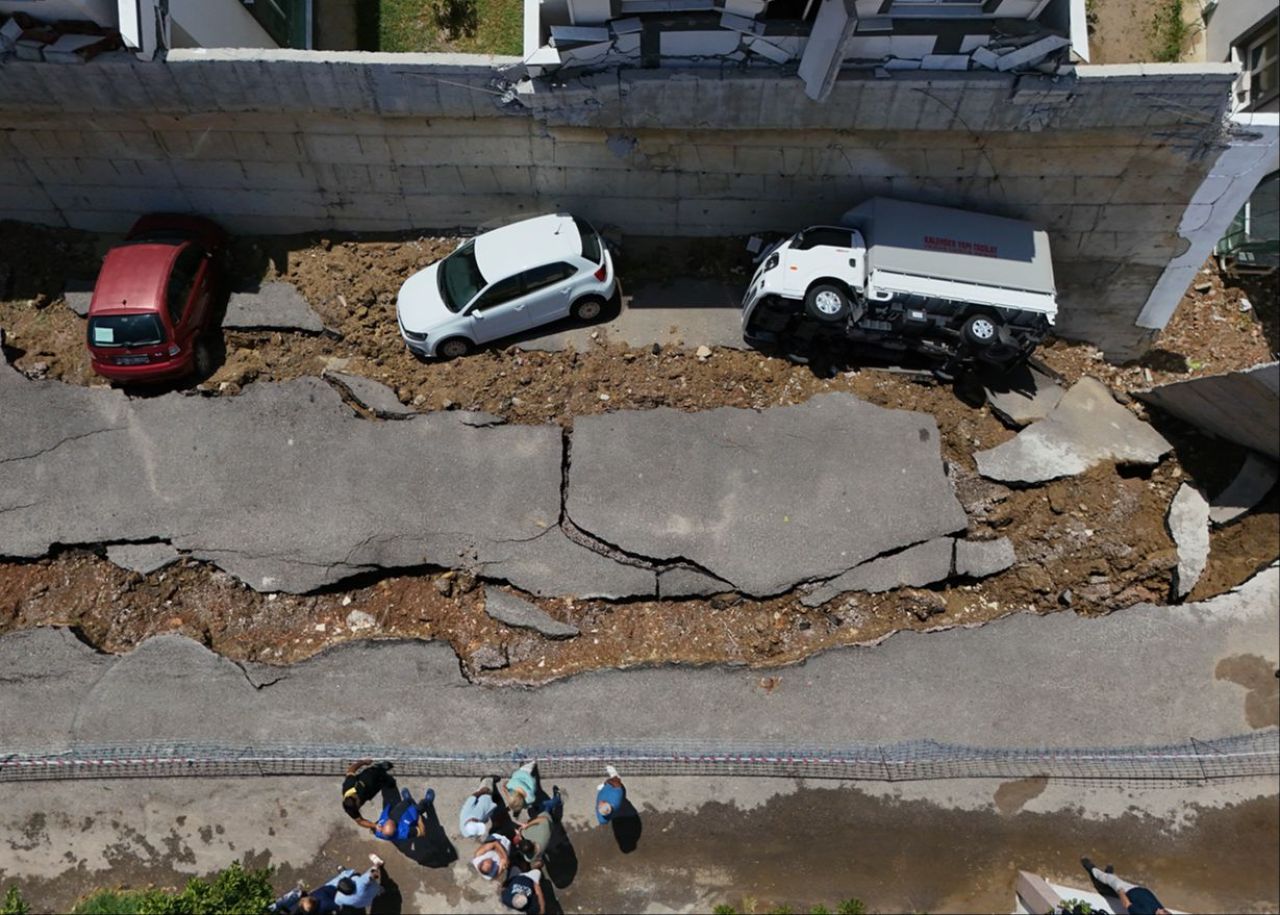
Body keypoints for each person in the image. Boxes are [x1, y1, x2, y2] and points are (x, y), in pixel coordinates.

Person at [1081, 858, 1172, 915]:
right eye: (1166, 911)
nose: (1162, 910)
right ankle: (1109, 876)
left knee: (1110, 879)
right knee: (1111, 881)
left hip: (1126, 891)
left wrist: (1120, 891)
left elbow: (1127, 904)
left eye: (1163, 912)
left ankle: (1092, 869)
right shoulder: (1160, 909)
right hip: (1137, 889)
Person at [341, 759, 395, 829]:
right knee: (390, 784)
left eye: (358, 805)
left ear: (355, 798)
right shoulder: (350, 809)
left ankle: (380, 767)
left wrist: (363, 762)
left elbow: (351, 769)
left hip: (372, 774)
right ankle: (388, 781)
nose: (359, 807)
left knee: (386, 770)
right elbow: (360, 821)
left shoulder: (349, 785)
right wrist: (375, 826)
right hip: (373, 789)